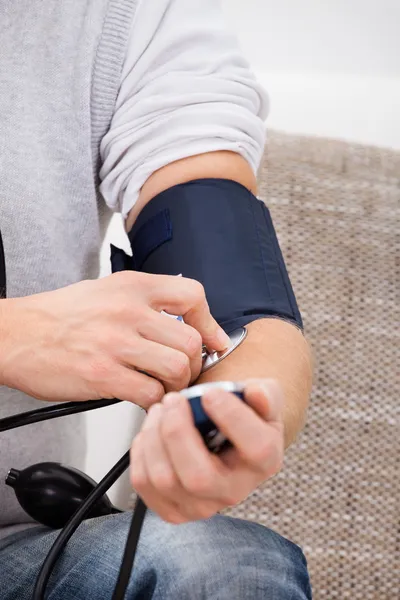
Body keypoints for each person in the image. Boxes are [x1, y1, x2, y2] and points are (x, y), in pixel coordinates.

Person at [0, 0, 313, 598]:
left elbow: (238, 304)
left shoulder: (123, 16)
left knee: (220, 565)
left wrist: (221, 418)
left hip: (15, 550)